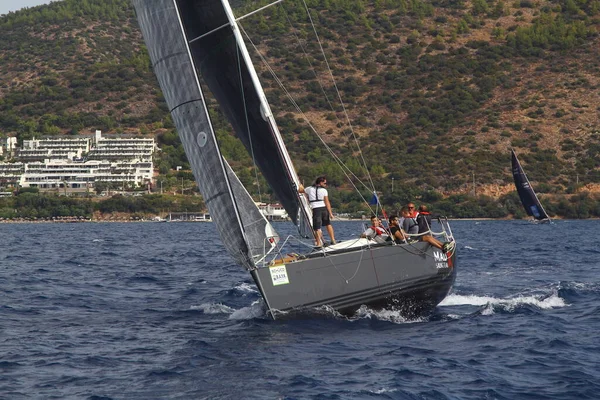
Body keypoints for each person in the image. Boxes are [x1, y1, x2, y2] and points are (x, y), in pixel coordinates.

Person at [299, 176, 336, 247]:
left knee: (317, 227)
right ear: (321, 182)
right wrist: (330, 213)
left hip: (316, 209)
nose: (326, 185)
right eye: (325, 183)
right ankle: (333, 240)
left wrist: (300, 186)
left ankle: (319, 243)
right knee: (328, 224)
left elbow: (300, 191)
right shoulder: (324, 191)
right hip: (324, 209)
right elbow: (327, 202)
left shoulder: (309, 189)